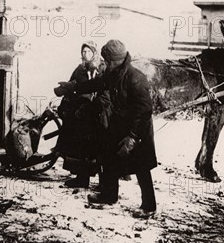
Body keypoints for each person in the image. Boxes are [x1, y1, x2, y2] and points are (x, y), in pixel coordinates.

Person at [55, 39, 157, 214]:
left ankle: (149, 206)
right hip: (120, 124)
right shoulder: (114, 73)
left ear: (117, 60)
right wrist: (73, 87)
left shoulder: (135, 78)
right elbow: (96, 84)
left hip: (138, 128)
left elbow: (145, 110)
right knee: (108, 156)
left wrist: (132, 137)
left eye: (108, 61)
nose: (106, 64)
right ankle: (109, 195)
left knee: (142, 167)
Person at [56, 41, 105, 188]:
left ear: (94, 53)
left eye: (89, 52)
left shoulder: (101, 69)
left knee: (97, 149)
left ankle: (105, 183)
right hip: (79, 114)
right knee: (79, 147)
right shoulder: (79, 69)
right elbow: (71, 86)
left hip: (95, 113)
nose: (85, 54)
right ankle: (81, 178)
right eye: (83, 52)